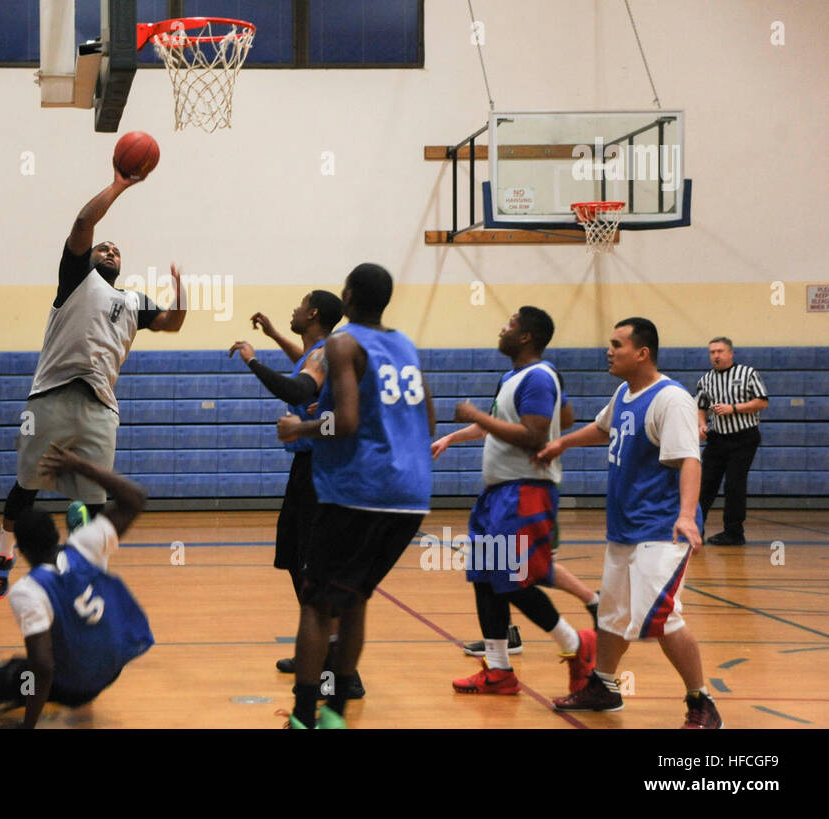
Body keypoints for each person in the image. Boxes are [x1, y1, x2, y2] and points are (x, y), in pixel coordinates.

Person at [0, 167, 186, 599]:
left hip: (100, 406)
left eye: (116, 250)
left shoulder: (132, 301)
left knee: (97, 500)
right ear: (89, 256)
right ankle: (3, 552)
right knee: (27, 485)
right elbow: (82, 224)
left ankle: (91, 573)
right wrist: (120, 185)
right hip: (50, 397)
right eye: (103, 247)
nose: (110, 250)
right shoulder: (76, 279)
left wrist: (181, 292)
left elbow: (172, 324)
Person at [536, 317, 722, 728]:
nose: (609, 350)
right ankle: (604, 686)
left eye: (617, 344)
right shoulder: (625, 392)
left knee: (660, 617)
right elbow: (603, 429)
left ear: (642, 353)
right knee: (612, 613)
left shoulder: (670, 400)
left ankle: (702, 702)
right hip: (625, 527)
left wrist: (688, 516)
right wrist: (563, 442)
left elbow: (690, 459)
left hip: (661, 528)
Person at [275, 264, 433, 729]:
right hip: (411, 498)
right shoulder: (405, 345)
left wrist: (299, 428)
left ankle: (305, 717)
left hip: (359, 491)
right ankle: (336, 715)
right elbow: (427, 424)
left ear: (346, 299)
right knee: (357, 599)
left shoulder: (343, 343)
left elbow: (343, 422)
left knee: (316, 606)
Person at [431, 308, 596, 696]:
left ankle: (576, 644)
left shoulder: (538, 376)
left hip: (524, 492)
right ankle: (499, 670)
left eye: (510, 325)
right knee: (486, 581)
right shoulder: (516, 378)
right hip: (498, 494)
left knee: (513, 581)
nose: (502, 330)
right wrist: (456, 435)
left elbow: (534, 434)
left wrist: (479, 417)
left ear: (526, 337)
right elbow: (564, 416)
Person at [0, 443, 152, 727]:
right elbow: (136, 498)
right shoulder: (83, 547)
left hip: (72, 687)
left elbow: (43, 668)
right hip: (113, 667)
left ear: (21, 550)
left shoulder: (28, 590)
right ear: (56, 534)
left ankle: (26, 696)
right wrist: (79, 465)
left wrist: (29, 725)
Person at [229, 292, 350, 685]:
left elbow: (297, 389)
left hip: (320, 473)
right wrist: (274, 334)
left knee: (312, 569)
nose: (294, 308)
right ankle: (315, 650)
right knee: (298, 563)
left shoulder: (326, 353)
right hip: (307, 472)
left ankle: (336, 664)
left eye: (300, 304)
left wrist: (252, 358)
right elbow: (303, 359)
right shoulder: (317, 351)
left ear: (313, 312)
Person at [695, 337, 767, 546]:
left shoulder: (748, 373)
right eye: (712, 352)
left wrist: (733, 408)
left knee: (734, 485)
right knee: (705, 484)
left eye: (720, 351)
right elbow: (700, 405)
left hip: (743, 436)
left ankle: (734, 533)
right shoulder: (705, 379)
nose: (716, 355)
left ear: (730, 353)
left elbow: (762, 401)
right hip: (717, 438)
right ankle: (695, 529)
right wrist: (701, 424)